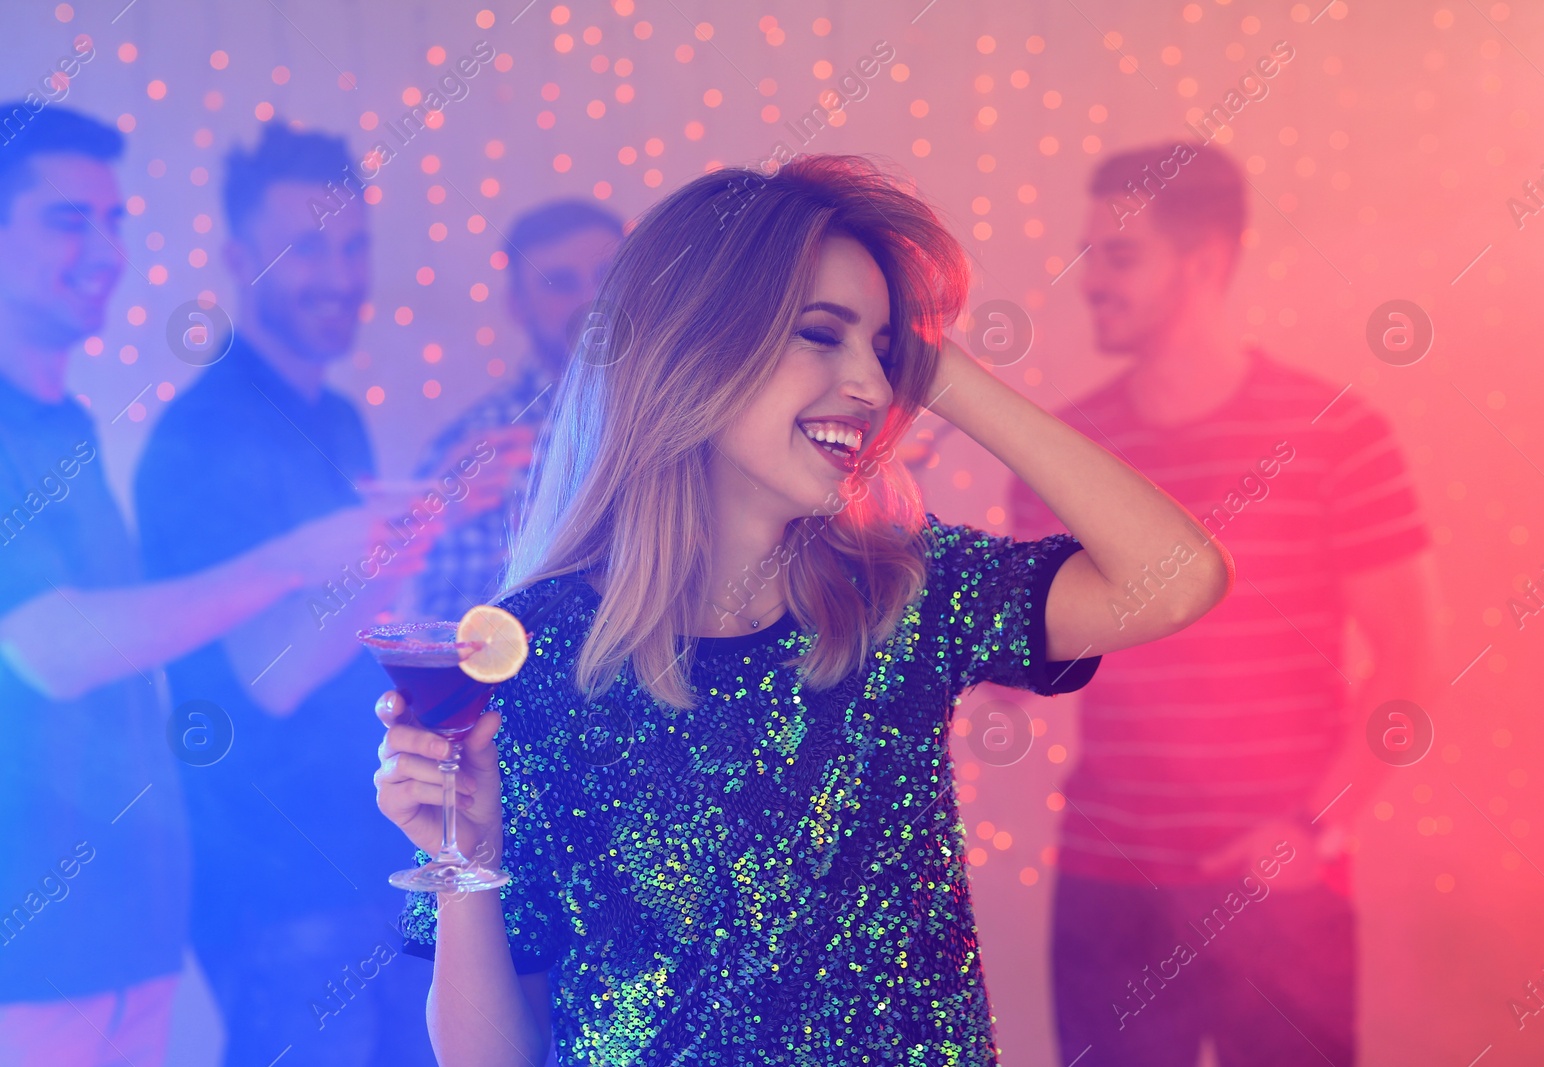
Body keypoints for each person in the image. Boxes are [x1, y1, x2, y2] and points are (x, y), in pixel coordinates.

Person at [370, 153, 1234, 1065]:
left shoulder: (904, 591)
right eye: (823, 334)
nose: (871, 385)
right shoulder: (529, 656)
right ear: (697, 346)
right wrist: (467, 861)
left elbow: (1177, 578)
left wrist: (939, 370)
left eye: (884, 347)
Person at [1007, 144, 1443, 1066]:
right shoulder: (1065, 451)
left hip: (1284, 882)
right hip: (1109, 885)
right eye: (1088, 255)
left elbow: (1410, 668)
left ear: (1203, 261)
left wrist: (1316, 831)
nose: (1090, 283)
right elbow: (1015, 671)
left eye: (1119, 256)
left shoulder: (1339, 437)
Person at [0, 105, 397, 1066]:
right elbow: (51, 647)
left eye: (113, 221)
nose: (105, 249)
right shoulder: (174, 431)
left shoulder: (69, 426)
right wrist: (309, 556)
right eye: (67, 221)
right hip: (49, 941)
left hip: (132, 929)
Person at [133, 123, 527, 1065]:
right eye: (305, 246)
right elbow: (272, 675)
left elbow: (360, 617)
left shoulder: (334, 415)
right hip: (277, 883)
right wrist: (427, 512)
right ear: (238, 258)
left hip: (365, 853)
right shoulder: (204, 434)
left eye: (353, 246)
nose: (339, 275)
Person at [411, 199, 621, 622]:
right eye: (560, 284)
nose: (590, 301)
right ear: (517, 306)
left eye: (607, 277)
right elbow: (455, 634)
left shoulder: (695, 414)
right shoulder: (474, 448)